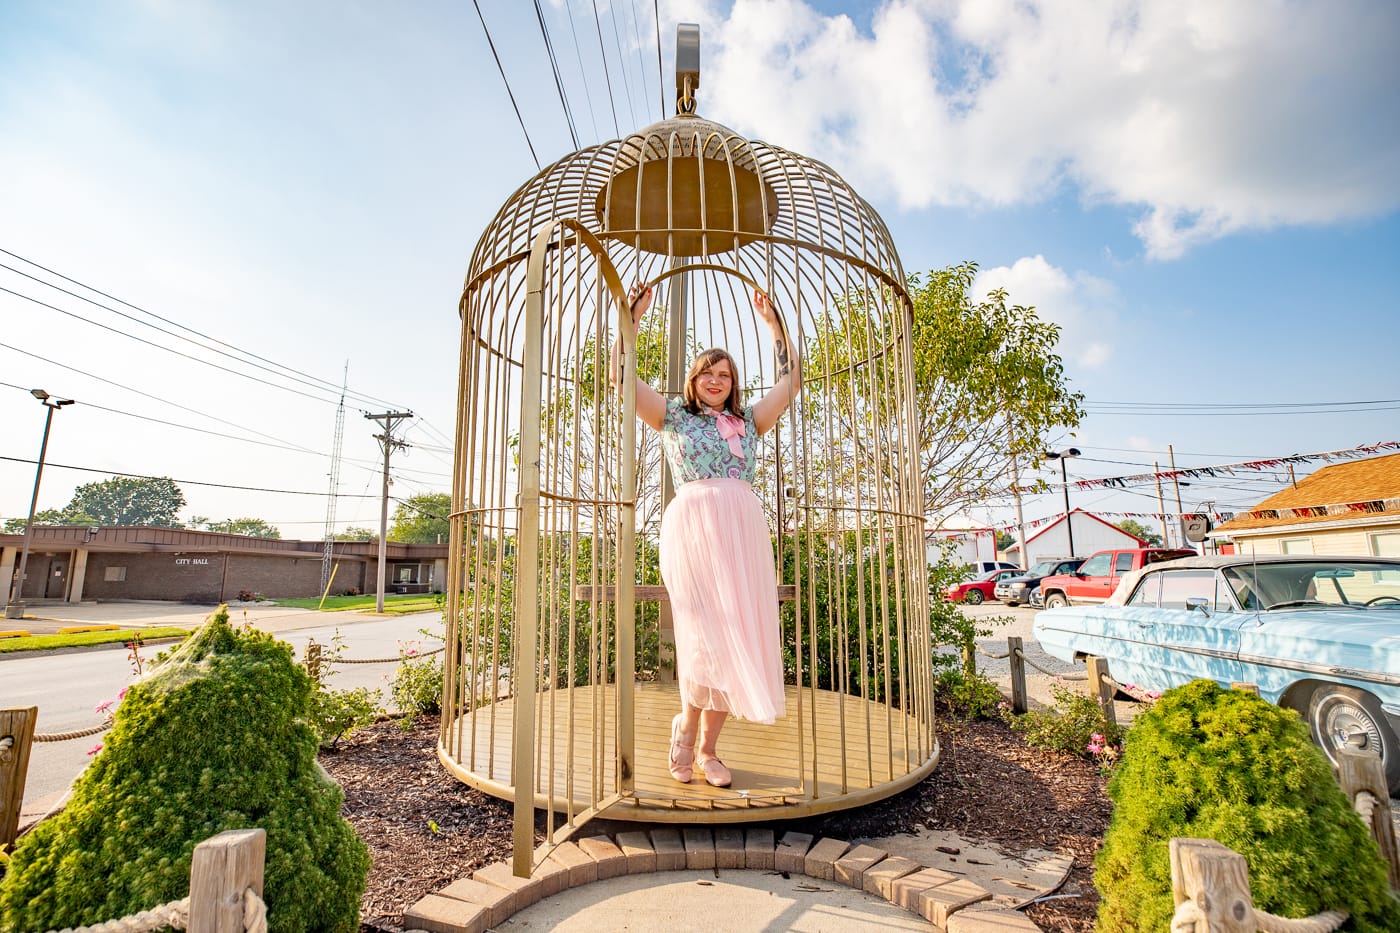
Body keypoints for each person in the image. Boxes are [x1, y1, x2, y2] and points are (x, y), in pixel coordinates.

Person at [611, 282, 801, 788]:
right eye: (708, 373)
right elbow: (622, 380)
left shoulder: (749, 422)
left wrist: (776, 329)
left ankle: (708, 750)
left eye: (725, 375)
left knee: (737, 635)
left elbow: (792, 383)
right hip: (695, 530)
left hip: (742, 530)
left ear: (732, 383)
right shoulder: (672, 416)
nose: (716, 380)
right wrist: (629, 323)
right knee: (701, 639)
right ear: (694, 379)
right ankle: (687, 725)